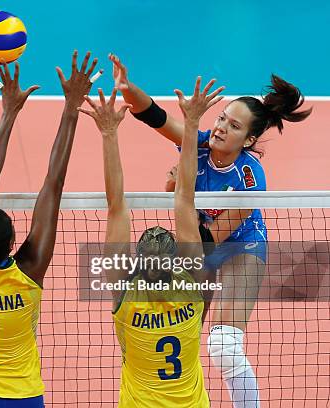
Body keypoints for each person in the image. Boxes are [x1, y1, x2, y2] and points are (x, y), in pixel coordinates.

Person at [110, 54, 312, 407]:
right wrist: (128, 90)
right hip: (197, 240)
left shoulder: (250, 181)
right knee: (181, 331)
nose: (220, 127)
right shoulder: (198, 145)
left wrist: (176, 192)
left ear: (248, 141)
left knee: (223, 346)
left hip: (238, 248)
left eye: (234, 126)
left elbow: (205, 243)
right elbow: (154, 115)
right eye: (222, 118)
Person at [0, 51, 99, 407]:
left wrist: (8, 113)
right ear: (14, 242)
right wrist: (72, 106)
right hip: (24, 397)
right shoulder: (28, 274)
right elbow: (53, 184)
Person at [80, 78, 222, 406]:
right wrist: (191, 124)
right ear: (177, 262)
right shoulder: (192, 285)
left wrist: (108, 133)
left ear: (137, 263)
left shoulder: (125, 295)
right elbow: (184, 197)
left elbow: (116, 206)